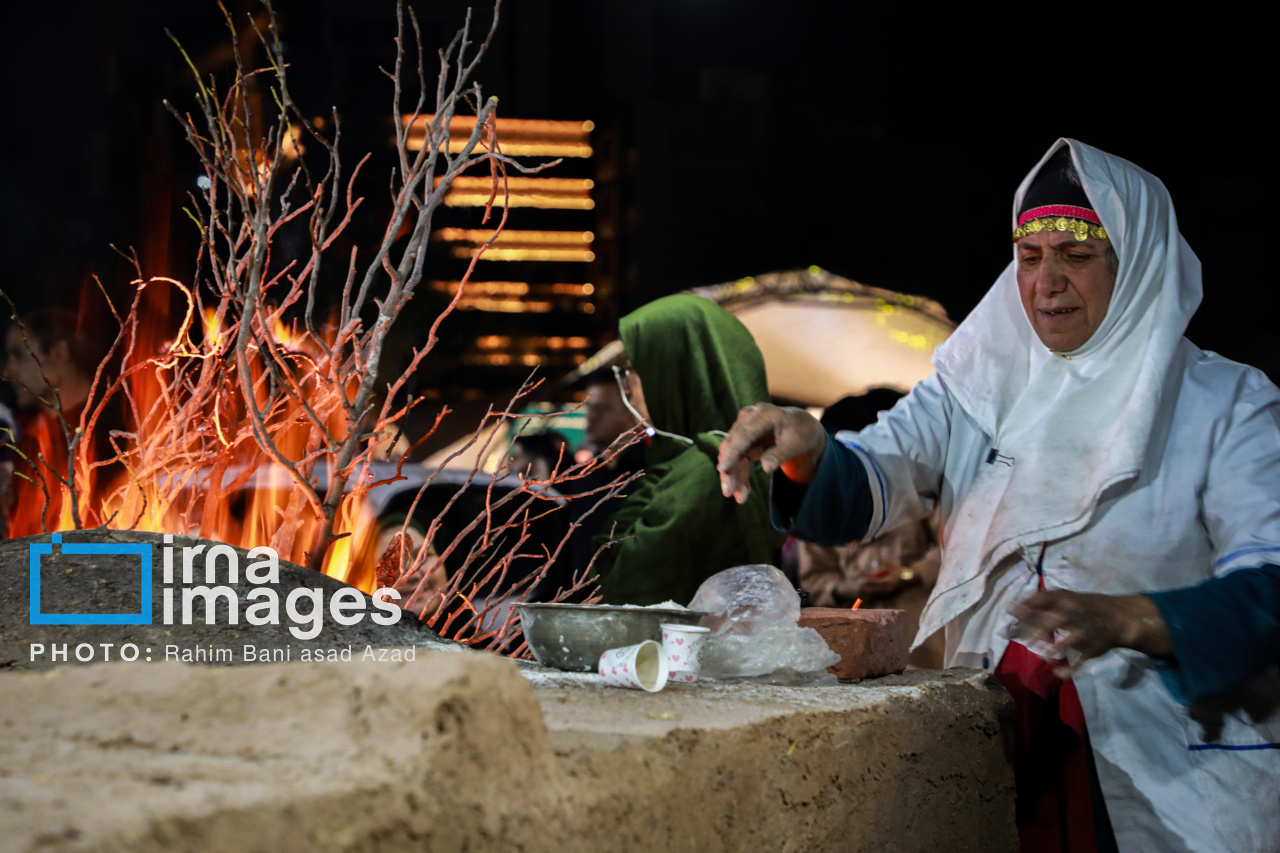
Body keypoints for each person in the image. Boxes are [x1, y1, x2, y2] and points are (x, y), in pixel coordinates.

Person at [718, 140, 1280, 851]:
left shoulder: (1227, 403)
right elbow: (867, 482)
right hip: (1007, 750)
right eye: (1030, 255)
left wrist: (1136, 618)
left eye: (1077, 256)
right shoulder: (977, 388)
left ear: (1134, 264)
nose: (1047, 282)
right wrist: (808, 450)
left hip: (1167, 774)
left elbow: (1269, 590)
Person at [592, 293, 785, 606]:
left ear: (673, 371)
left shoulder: (708, 471)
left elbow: (626, 590)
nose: (626, 387)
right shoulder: (690, 460)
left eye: (634, 369)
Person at [796, 389, 944, 669]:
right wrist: (846, 588)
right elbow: (814, 580)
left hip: (921, 647)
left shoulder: (925, 491)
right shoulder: (819, 504)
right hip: (850, 649)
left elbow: (957, 550)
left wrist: (907, 575)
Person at [1, 309, 105, 537]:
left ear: (59, 352)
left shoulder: (114, 434)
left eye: (18, 354)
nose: (7, 371)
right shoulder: (20, 437)